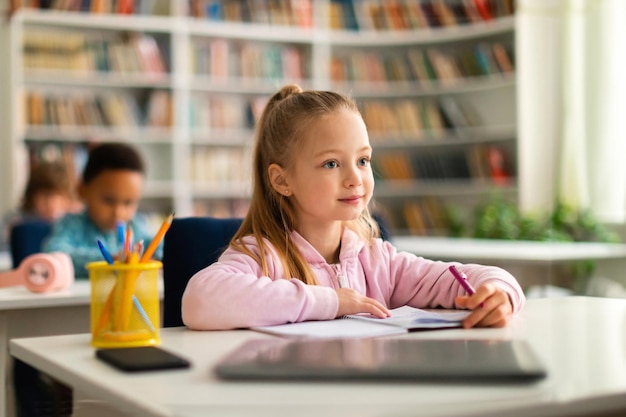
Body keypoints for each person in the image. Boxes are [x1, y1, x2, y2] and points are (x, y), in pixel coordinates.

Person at [181, 85, 525, 331]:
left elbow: (461, 278)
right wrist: (330, 301)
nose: (354, 178)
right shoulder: (263, 257)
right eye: (331, 164)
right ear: (282, 180)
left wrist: (500, 293)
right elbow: (199, 301)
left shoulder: (378, 261)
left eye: (363, 160)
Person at [43, 142, 163, 278]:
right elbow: (54, 254)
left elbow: (160, 248)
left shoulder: (135, 225)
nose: (118, 212)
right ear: (82, 190)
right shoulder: (71, 224)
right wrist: (110, 260)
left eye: (128, 202)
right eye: (108, 201)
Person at [0, 161, 77, 252]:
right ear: (32, 196)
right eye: (45, 196)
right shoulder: (16, 222)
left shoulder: (72, 223)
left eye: (59, 196)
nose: (51, 204)